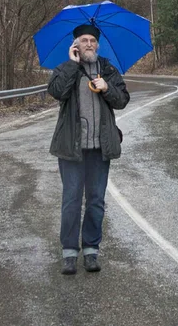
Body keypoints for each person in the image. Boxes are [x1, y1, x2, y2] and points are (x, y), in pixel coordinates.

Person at [47, 22, 130, 275]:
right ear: (76, 44)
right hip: (72, 148)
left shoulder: (108, 69)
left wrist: (107, 88)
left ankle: (91, 250)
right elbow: (57, 92)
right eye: (84, 40)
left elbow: (122, 100)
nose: (89, 44)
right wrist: (72, 65)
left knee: (95, 201)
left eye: (93, 40)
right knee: (71, 201)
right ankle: (69, 253)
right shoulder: (65, 68)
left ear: (98, 44)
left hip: (99, 149)